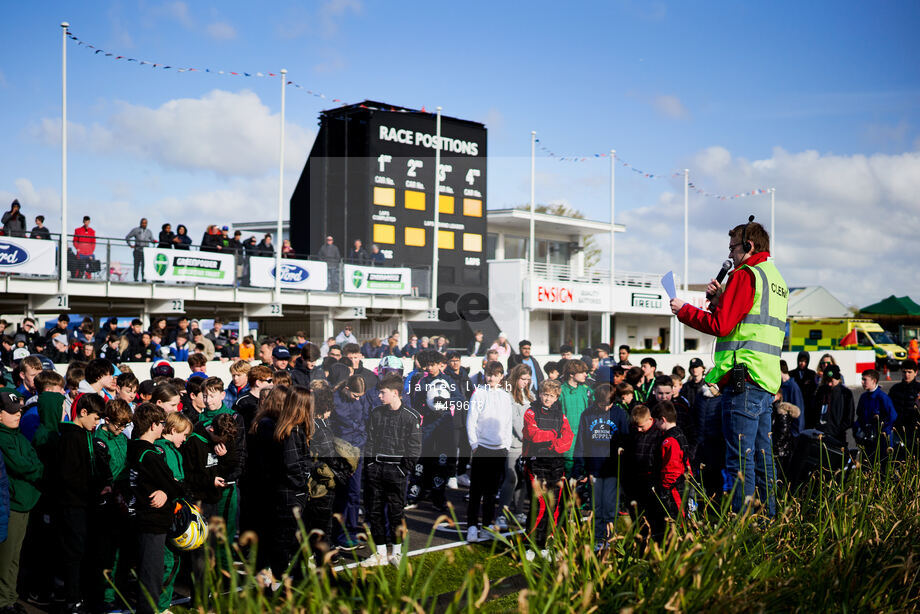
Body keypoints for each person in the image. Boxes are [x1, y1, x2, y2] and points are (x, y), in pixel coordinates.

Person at [671, 218, 787, 517]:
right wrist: (720, 299)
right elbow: (746, 323)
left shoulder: (745, 275)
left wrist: (685, 311)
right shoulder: (775, 279)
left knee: (739, 460)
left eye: (733, 248)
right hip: (765, 379)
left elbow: (722, 325)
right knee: (763, 458)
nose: (730, 255)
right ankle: (769, 521)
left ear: (748, 246)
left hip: (743, 380)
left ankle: (741, 529)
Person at [362, 375, 422, 567]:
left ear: (395, 393)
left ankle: (397, 552)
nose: (379, 396)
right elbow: (369, 441)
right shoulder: (376, 413)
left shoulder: (411, 417)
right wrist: (370, 466)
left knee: (396, 513)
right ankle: (379, 552)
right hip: (377, 469)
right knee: (375, 512)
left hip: (397, 472)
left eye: (383, 392)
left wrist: (404, 470)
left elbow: (414, 448)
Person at [129, 403, 184, 614]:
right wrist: (169, 489)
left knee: (149, 571)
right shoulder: (148, 454)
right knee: (151, 573)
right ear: (153, 425)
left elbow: (167, 486)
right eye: (161, 423)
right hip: (151, 521)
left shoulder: (136, 446)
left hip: (146, 519)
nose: (163, 427)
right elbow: (174, 483)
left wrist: (166, 491)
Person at [57, 393, 105, 611]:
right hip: (74, 504)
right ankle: (72, 599)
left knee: (86, 551)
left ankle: (84, 595)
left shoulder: (85, 435)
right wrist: (93, 488)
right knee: (74, 552)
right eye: (95, 418)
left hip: (87, 503)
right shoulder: (70, 437)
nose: (97, 423)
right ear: (83, 413)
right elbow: (70, 476)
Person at [0, 389, 43, 614]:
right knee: (6, 558)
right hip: (12, 505)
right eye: (11, 411)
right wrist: (34, 469)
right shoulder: (2, 437)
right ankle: (3, 601)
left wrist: (34, 468)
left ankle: (10, 597)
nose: (17, 414)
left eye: (19, 410)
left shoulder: (18, 436)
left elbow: (34, 460)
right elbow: (20, 465)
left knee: (15, 556)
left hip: (25, 502)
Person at [573, 382, 629, 549]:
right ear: (596, 401)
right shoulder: (587, 414)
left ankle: (609, 537)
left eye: (609, 405)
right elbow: (581, 442)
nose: (606, 408)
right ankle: (598, 538)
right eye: (602, 404)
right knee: (597, 505)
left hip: (612, 468)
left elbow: (625, 439)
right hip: (594, 468)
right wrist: (580, 469)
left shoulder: (619, 413)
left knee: (610, 505)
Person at [522, 379, 574, 560]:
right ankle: (531, 545)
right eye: (545, 394)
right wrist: (553, 435)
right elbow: (533, 434)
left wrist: (552, 445)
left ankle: (547, 545)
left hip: (556, 464)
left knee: (554, 506)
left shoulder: (561, 415)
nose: (547, 398)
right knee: (539, 505)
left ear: (556, 397)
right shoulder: (531, 411)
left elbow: (567, 439)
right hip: (536, 463)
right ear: (540, 394)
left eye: (551, 396)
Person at [465, 361, 513, 542]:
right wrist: (474, 443)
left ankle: (486, 526)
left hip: (499, 449)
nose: (491, 378)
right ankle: (471, 526)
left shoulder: (505, 396)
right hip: (481, 448)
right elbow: (471, 420)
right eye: (489, 374)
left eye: (495, 375)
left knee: (491, 492)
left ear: (501, 376)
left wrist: (506, 445)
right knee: (476, 490)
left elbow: (507, 423)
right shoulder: (478, 393)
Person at [499, 364, 533, 526]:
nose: (525, 382)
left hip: (528, 445)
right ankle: (502, 515)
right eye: (522, 379)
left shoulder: (530, 395)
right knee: (511, 478)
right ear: (516, 378)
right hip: (514, 444)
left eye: (528, 379)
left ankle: (519, 512)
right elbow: (514, 421)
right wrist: (525, 436)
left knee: (523, 480)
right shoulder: (508, 395)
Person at [658, 401, 691, 524]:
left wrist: (665, 487)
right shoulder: (679, 433)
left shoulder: (670, 440)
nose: (655, 424)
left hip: (674, 486)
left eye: (656, 421)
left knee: (678, 519)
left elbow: (672, 468)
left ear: (662, 420)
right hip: (679, 483)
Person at [559, 360, 593, 474]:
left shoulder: (586, 390)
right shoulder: (560, 391)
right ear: (571, 374)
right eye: (582, 372)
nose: (586, 375)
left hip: (584, 439)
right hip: (567, 440)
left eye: (586, 372)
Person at [854, 369, 898, 456]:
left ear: (874, 381)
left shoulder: (882, 397)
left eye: (865, 380)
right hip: (867, 439)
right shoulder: (864, 397)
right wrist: (857, 430)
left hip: (882, 440)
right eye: (862, 379)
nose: (862, 382)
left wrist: (881, 430)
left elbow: (892, 416)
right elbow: (860, 415)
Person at [813, 363, 854, 444]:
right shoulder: (821, 391)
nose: (829, 384)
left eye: (831, 381)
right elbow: (814, 410)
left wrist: (837, 430)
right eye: (827, 380)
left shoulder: (845, 393)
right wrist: (817, 425)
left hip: (838, 436)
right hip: (821, 433)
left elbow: (849, 418)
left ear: (838, 379)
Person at [125, 218, 155, 282]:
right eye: (143, 223)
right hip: (137, 250)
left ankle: (144, 278)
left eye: (145, 223)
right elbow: (127, 237)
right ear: (140, 223)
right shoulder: (136, 230)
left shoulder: (149, 231)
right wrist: (130, 245)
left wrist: (154, 241)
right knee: (136, 265)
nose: (144, 224)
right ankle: (135, 278)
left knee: (145, 266)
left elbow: (152, 239)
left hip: (146, 251)